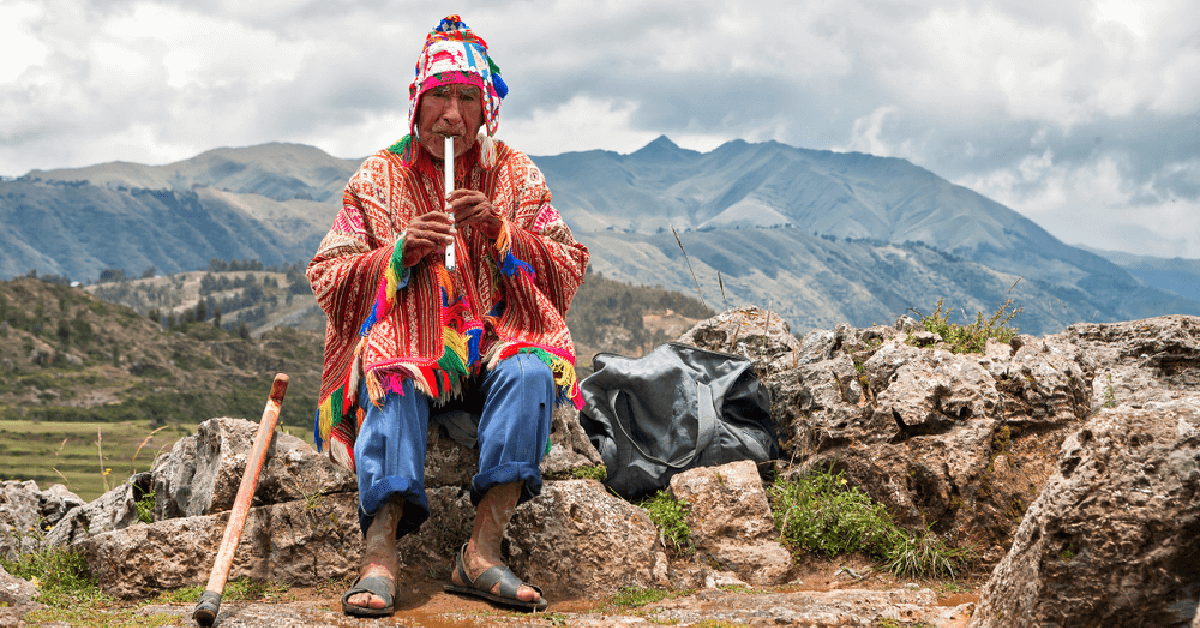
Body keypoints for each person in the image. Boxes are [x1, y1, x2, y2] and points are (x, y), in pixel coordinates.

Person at [306, 14, 588, 617]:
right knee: (392, 368)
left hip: (493, 344)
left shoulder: (513, 174)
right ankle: (379, 555)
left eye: (467, 98)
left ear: (488, 108)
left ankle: (481, 552)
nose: (453, 115)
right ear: (417, 101)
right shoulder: (380, 176)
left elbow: (568, 265)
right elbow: (328, 275)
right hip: (413, 342)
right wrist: (398, 255)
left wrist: (503, 232)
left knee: (533, 370)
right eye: (440, 96)